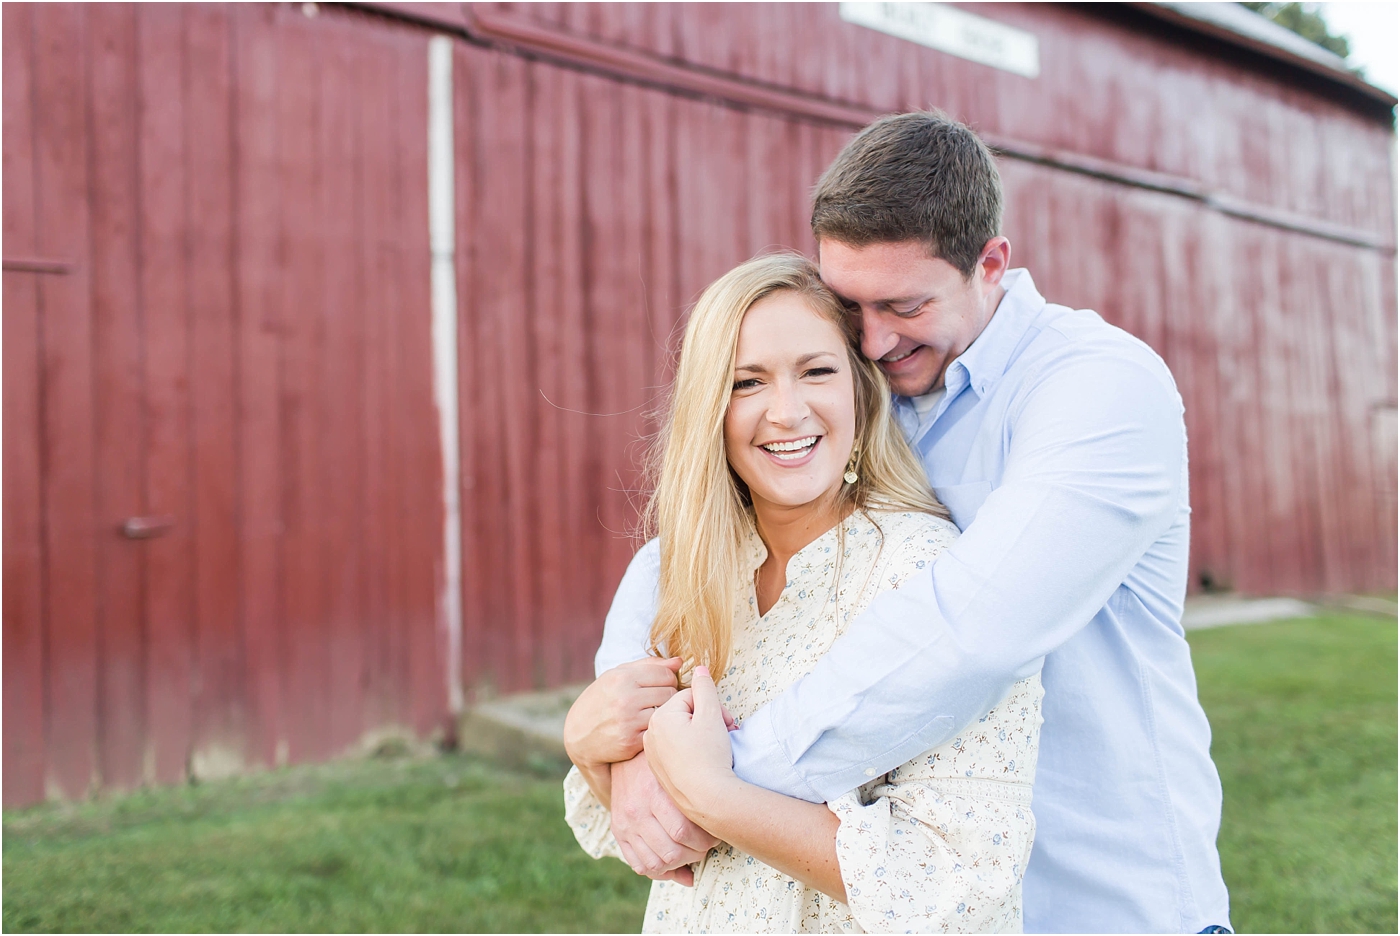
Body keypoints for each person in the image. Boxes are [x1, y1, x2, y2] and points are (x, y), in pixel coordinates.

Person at [573, 112, 1232, 934]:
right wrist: (623, 732)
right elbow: (700, 539)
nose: (873, 342)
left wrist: (714, 779)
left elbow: (970, 631)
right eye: (850, 307)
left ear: (991, 262)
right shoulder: (876, 383)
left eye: (903, 304)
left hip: (1098, 900)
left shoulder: (1098, 392)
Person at [562, 253, 1044, 932]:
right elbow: (647, 840)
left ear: (860, 389)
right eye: (747, 382)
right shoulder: (677, 571)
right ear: (709, 406)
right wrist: (589, 748)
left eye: (817, 371)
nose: (786, 413)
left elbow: (960, 885)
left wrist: (713, 794)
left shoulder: (925, 574)